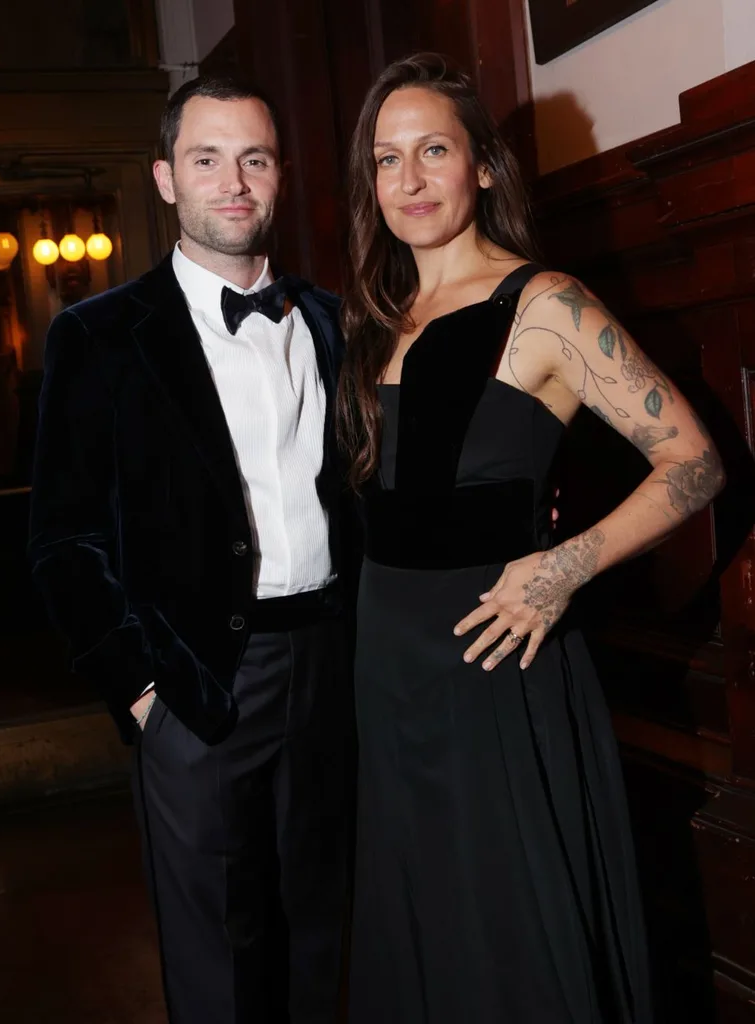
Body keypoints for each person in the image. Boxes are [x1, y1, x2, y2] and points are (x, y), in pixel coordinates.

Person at [338, 52, 724, 1024]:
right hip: (387, 665)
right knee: (422, 927)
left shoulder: (545, 304)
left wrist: (565, 566)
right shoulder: (379, 317)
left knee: (507, 943)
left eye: (434, 150)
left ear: (482, 167)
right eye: (388, 160)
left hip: (494, 655)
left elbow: (695, 461)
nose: (411, 180)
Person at [28, 74, 352, 1024]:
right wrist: (143, 691)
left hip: (331, 664)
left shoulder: (333, 321)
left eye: (254, 158)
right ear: (166, 178)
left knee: (324, 926)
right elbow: (61, 542)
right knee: (219, 948)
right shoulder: (98, 337)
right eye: (206, 159)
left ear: (280, 176)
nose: (233, 182)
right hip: (197, 675)